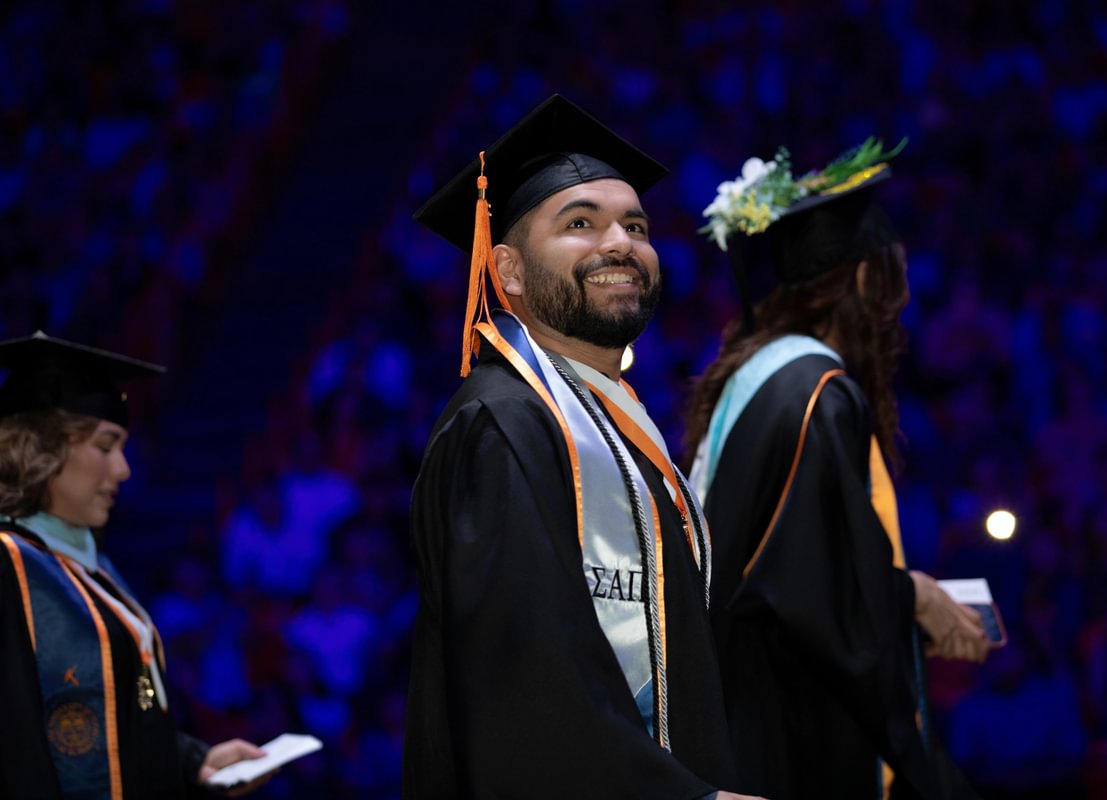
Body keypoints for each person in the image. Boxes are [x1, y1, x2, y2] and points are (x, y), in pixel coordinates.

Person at [405, 95, 756, 799]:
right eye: (579, 223)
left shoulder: (615, 422)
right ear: (505, 273)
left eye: (636, 224)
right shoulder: (501, 424)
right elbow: (524, 673)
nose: (620, 242)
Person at [685, 142, 989, 799]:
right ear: (859, 280)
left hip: (735, 710)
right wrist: (918, 600)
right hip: (790, 733)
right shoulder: (819, 392)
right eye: (888, 279)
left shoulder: (756, 376)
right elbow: (817, 595)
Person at [0, 331, 272, 798]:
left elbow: (119, 713)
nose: (123, 469)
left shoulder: (85, 561)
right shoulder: (11, 567)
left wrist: (194, 761)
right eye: (106, 446)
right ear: (45, 448)